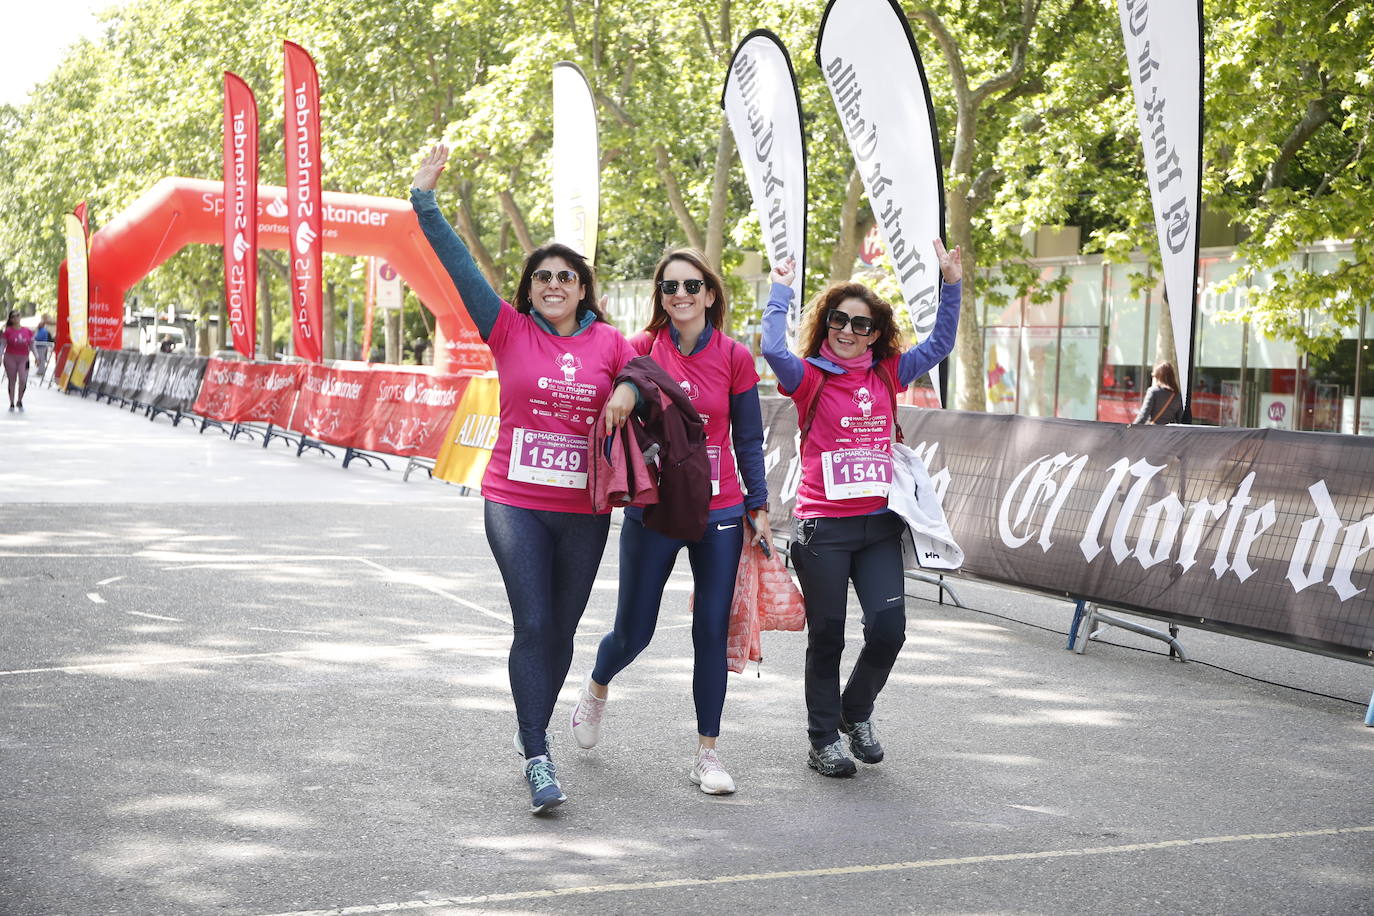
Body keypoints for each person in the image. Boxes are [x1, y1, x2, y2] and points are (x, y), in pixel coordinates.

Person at [410, 143, 638, 815]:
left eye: (566, 276)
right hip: (515, 501)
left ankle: (531, 726)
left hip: (586, 509)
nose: (555, 285)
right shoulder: (506, 329)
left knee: (563, 631)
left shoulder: (612, 343)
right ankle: (537, 752)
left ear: (582, 288)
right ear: (530, 288)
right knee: (533, 620)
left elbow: (647, 376)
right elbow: (458, 266)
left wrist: (626, 386)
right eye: (543, 276)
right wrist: (425, 199)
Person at [569, 248, 771, 795]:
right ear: (661, 298)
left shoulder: (733, 356)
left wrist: (759, 505)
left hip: (721, 509)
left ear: (709, 293)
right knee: (634, 632)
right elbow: (606, 367)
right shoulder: (641, 349)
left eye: (691, 286)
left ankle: (707, 754)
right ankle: (597, 685)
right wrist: (620, 391)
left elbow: (748, 438)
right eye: (669, 288)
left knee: (710, 629)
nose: (680, 296)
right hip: (653, 507)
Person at [761, 243, 961, 778]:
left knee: (889, 630)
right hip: (823, 528)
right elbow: (772, 349)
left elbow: (942, 342)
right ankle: (823, 738)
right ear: (826, 324)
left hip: (878, 527)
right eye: (838, 320)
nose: (847, 331)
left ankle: (857, 711)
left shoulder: (888, 373)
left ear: (876, 333)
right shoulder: (809, 377)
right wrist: (779, 291)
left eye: (861, 324)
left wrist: (951, 283)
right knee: (828, 636)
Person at [1131, 361, 1183, 425]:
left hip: (1154, 432)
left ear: (1158, 376)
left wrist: (1130, 430)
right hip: (1170, 433)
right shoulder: (1178, 395)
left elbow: (1143, 417)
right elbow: (1180, 419)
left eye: (1154, 376)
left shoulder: (1153, 392)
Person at [3, 310, 35, 411]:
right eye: (13, 316)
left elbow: (32, 345)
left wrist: (37, 357)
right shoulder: (7, 331)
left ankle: (19, 400)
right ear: (11, 319)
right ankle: (11, 403)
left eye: (18, 315)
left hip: (24, 358)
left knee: (23, 379)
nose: (16, 318)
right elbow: (2, 345)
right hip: (10, 357)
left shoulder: (27, 331)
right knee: (12, 380)